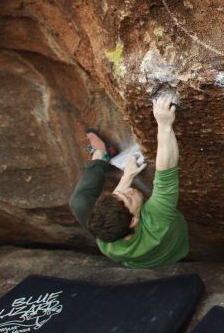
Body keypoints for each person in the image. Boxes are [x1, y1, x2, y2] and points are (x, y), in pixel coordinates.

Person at [68, 93, 189, 268]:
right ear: (134, 221)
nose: (129, 190)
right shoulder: (157, 221)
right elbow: (166, 171)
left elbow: (117, 206)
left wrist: (127, 176)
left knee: (78, 203)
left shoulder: (106, 240)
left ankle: (101, 154)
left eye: (118, 194)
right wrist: (164, 124)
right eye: (129, 198)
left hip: (137, 259)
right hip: (174, 250)